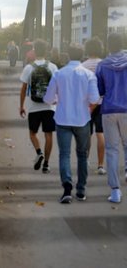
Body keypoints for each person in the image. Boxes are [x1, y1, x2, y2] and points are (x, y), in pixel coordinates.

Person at [43, 44, 99, 203]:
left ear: (68, 55)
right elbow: (94, 99)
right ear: (83, 56)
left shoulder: (59, 74)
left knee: (64, 154)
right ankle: (81, 190)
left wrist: (56, 99)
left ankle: (67, 188)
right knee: (82, 155)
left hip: (62, 120)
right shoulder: (89, 75)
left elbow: (48, 99)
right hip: (82, 120)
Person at [96, 33, 127, 204]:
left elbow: (100, 90)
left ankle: (115, 191)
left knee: (112, 150)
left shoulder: (102, 65)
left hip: (108, 110)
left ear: (108, 46)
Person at [19, 39, 58, 173]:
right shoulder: (53, 67)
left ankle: (39, 152)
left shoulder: (29, 68)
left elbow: (23, 89)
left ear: (34, 51)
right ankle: (46, 163)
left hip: (33, 106)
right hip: (50, 106)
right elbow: (57, 87)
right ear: (46, 51)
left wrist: (21, 106)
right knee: (49, 135)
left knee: (32, 133)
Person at [81, 37, 106, 175]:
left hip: (88, 104)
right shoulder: (103, 64)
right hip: (102, 103)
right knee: (100, 133)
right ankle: (101, 165)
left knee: (87, 134)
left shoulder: (83, 66)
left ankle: (85, 161)